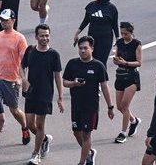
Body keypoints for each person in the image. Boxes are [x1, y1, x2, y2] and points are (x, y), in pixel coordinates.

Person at [64, 35, 115, 165]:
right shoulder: (72, 64)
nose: (82, 51)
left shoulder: (98, 66)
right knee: (77, 132)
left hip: (91, 107)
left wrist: (110, 107)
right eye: (80, 48)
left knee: (87, 134)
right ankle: (90, 152)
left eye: (85, 48)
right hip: (76, 105)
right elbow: (64, 82)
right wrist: (74, 83)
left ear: (92, 49)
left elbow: (104, 87)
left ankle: (82, 162)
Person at [21, 24, 64, 165]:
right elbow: (21, 67)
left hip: (45, 94)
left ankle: (36, 153)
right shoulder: (31, 51)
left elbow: (58, 76)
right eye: (42, 35)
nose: (45, 38)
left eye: (47, 35)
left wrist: (60, 97)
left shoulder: (54, 55)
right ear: (36, 37)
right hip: (31, 93)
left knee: (40, 124)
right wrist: (24, 80)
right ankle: (45, 139)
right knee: (29, 123)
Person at [0, 10, 31, 147]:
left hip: (12, 79)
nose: (3, 23)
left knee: (14, 110)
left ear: (13, 21)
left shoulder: (19, 38)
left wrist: (21, 78)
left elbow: (25, 61)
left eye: (6, 20)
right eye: (1, 20)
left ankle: (24, 127)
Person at [74, 0, 119, 65]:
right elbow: (86, 20)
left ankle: (103, 77)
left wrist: (118, 38)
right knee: (90, 60)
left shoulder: (111, 8)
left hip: (105, 39)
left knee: (101, 61)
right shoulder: (91, 6)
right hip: (92, 37)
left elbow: (114, 25)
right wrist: (77, 33)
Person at [113, 21, 143, 144]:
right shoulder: (119, 42)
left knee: (125, 106)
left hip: (132, 77)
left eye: (126, 33)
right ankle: (134, 121)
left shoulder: (137, 44)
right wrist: (117, 61)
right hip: (120, 75)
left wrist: (126, 63)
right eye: (122, 33)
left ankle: (123, 133)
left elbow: (139, 62)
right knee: (119, 106)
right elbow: (117, 55)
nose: (124, 36)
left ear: (131, 32)